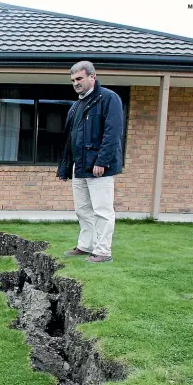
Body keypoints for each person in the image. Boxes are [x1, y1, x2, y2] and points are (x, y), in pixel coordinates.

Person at [57, 61, 124, 263]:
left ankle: (103, 251)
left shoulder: (109, 99)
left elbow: (113, 133)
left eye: (79, 78)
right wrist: (66, 167)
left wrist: (102, 160)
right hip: (80, 165)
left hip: (99, 167)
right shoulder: (76, 106)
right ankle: (86, 246)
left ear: (92, 77)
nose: (76, 83)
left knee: (102, 211)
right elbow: (70, 139)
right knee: (82, 210)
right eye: (73, 80)